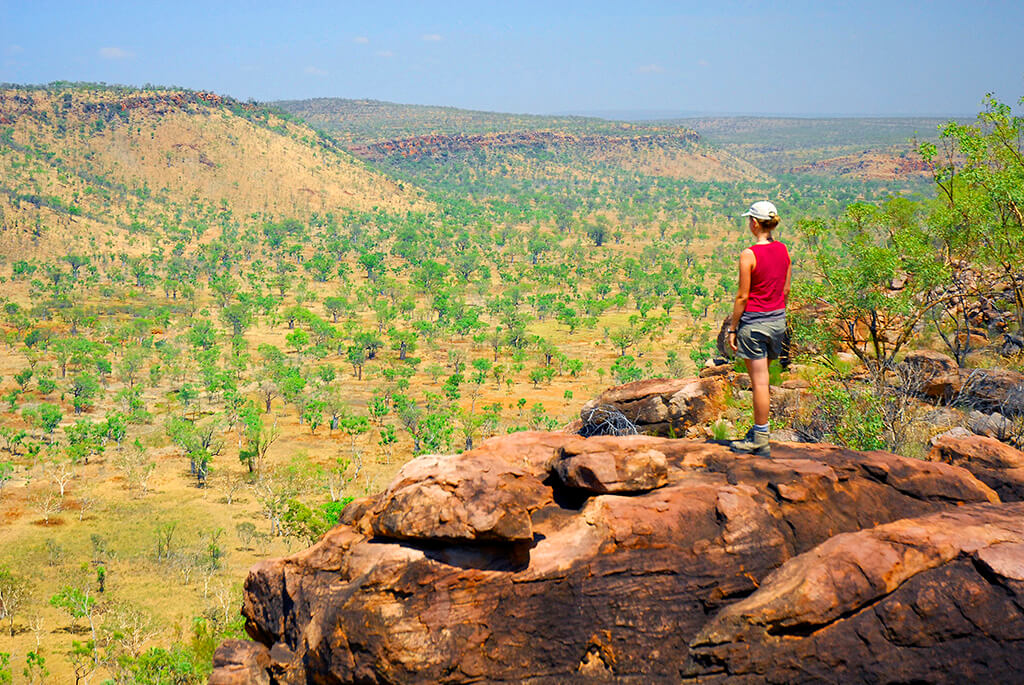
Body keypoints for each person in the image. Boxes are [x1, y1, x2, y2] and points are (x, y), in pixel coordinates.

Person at [726, 201, 791, 456]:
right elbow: (785, 289)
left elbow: (742, 296)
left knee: (760, 383)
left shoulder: (749, 254)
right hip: (778, 322)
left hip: (754, 325)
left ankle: (760, 438)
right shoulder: (783, 250)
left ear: (754, 223)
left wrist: (733, 328)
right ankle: (759, 432)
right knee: (765, 379)